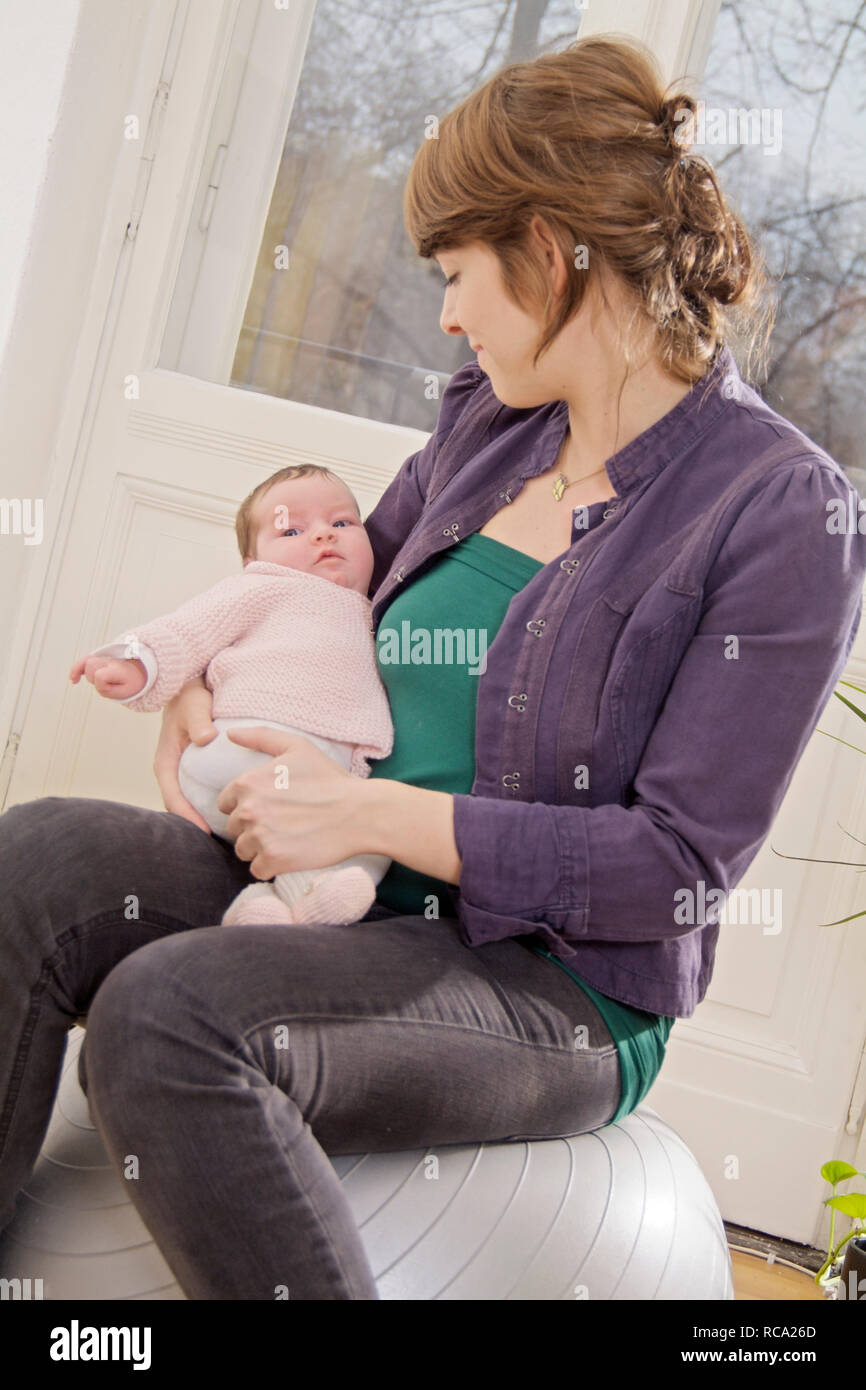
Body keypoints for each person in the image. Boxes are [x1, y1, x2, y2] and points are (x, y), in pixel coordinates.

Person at [1, 34, 864, 1300]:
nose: (449, 311)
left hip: (545, 983)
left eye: (460, 271)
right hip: (348, 885)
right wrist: (197, 675)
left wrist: (367, 810)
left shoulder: (780, 511)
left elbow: (673, 869)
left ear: (550, 245)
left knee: (169, 1015)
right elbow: (322, 591)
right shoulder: (489, 421)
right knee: (37, 861)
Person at [67, 467, 393, 927]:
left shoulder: (378, 614)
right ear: (252, 559)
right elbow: (186, 631)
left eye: (341, 523)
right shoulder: (261, 588)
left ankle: (265, 908)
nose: (323, 535)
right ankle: (300, 888)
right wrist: (134, 661)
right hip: (239, 751)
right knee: (297, 806)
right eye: (292, 529)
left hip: (330, 779)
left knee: (375, 847)